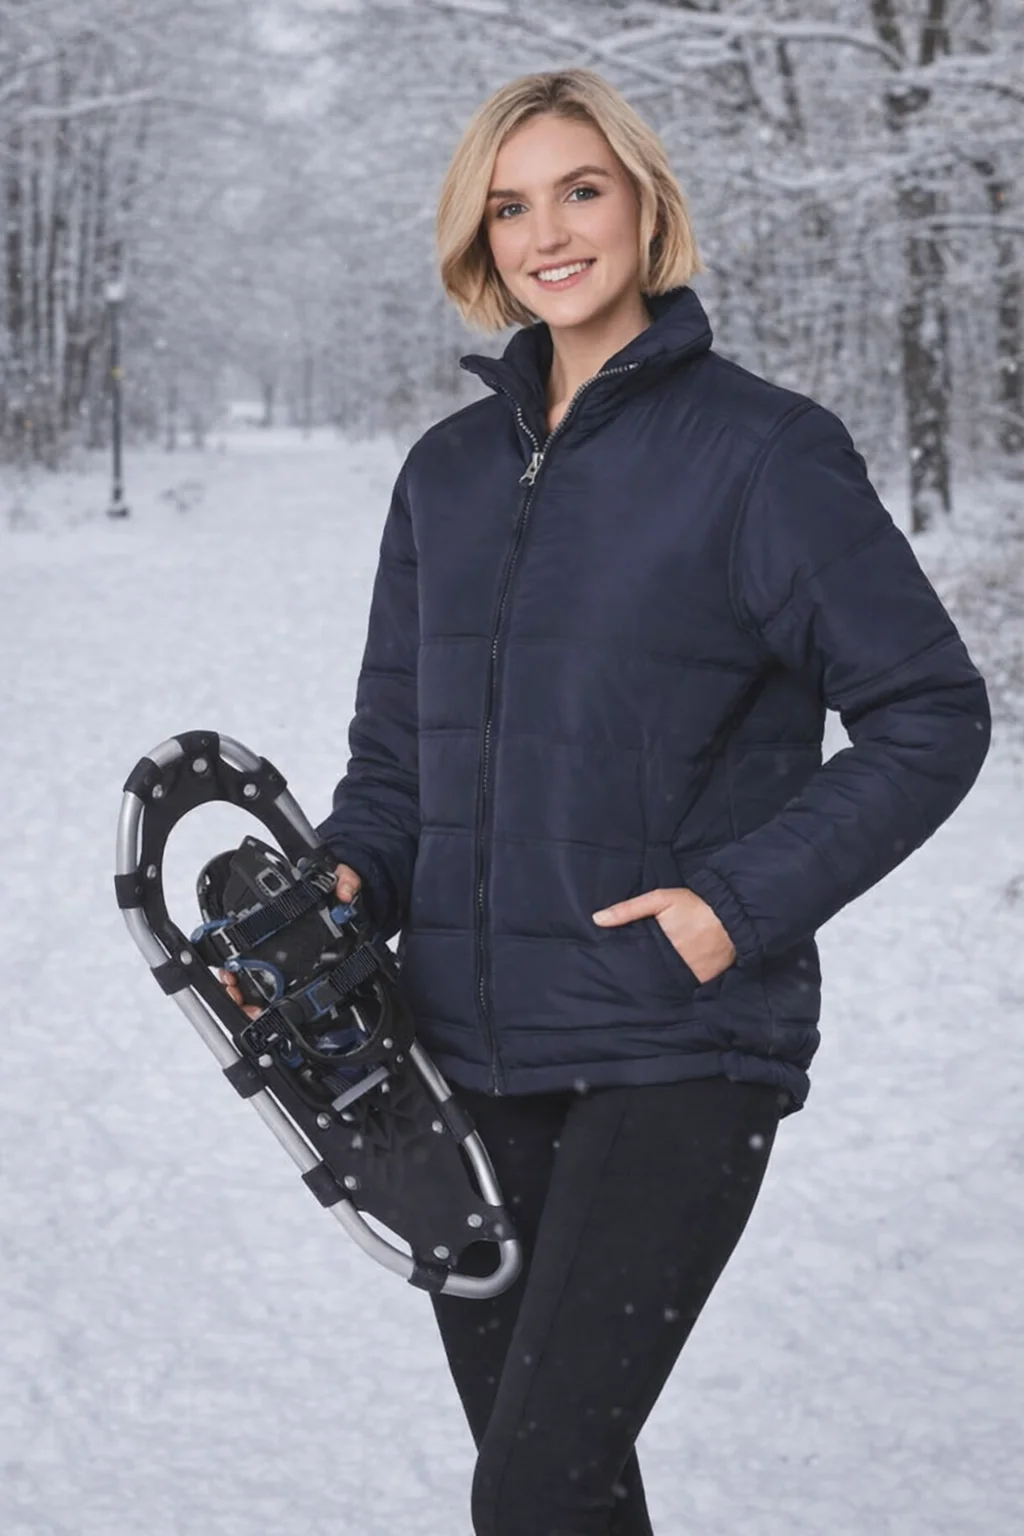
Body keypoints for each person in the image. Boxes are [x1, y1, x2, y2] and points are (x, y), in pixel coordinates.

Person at [227, 68, 991, 1536]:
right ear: (477, 237)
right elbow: (397, 759)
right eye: (509, 206)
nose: (548, 234)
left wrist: (729, 910)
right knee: (559, 1488)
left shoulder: (765, 454)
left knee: (532, 1486)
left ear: (645, 202)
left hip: (677, 1044)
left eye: (581, 189)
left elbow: (933, 713)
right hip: (456, 1056)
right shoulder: (446, 476)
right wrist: (347, 884)